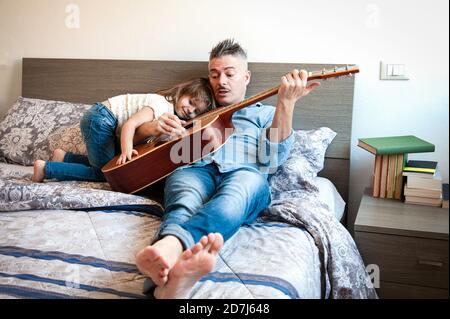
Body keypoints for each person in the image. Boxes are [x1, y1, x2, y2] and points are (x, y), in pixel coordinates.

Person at [135, 39, 321, 299]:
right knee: (183, 202)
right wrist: (158, 129)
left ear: (246, 77)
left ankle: (172, 245)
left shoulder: (267, 113)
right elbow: (139, 142)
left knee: (232, 200)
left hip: (245, 174)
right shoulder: (197, 112)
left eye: (229, 74)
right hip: (196, 169)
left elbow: (272, 160)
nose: (221, 81)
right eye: (214, 74)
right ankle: (167, 289)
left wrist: (286, 104)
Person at [31, 78, 216, 183]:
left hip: (101, 118)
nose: (190, 110)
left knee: (106, 161)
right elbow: (129, 125)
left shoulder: (169, 114)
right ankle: (47, 169)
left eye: (196, 111)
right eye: (191, 102)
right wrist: (127, 151)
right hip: (101, 118)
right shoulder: (161, 105)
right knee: (106, 173)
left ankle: (64, 158)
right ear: (182, 92)